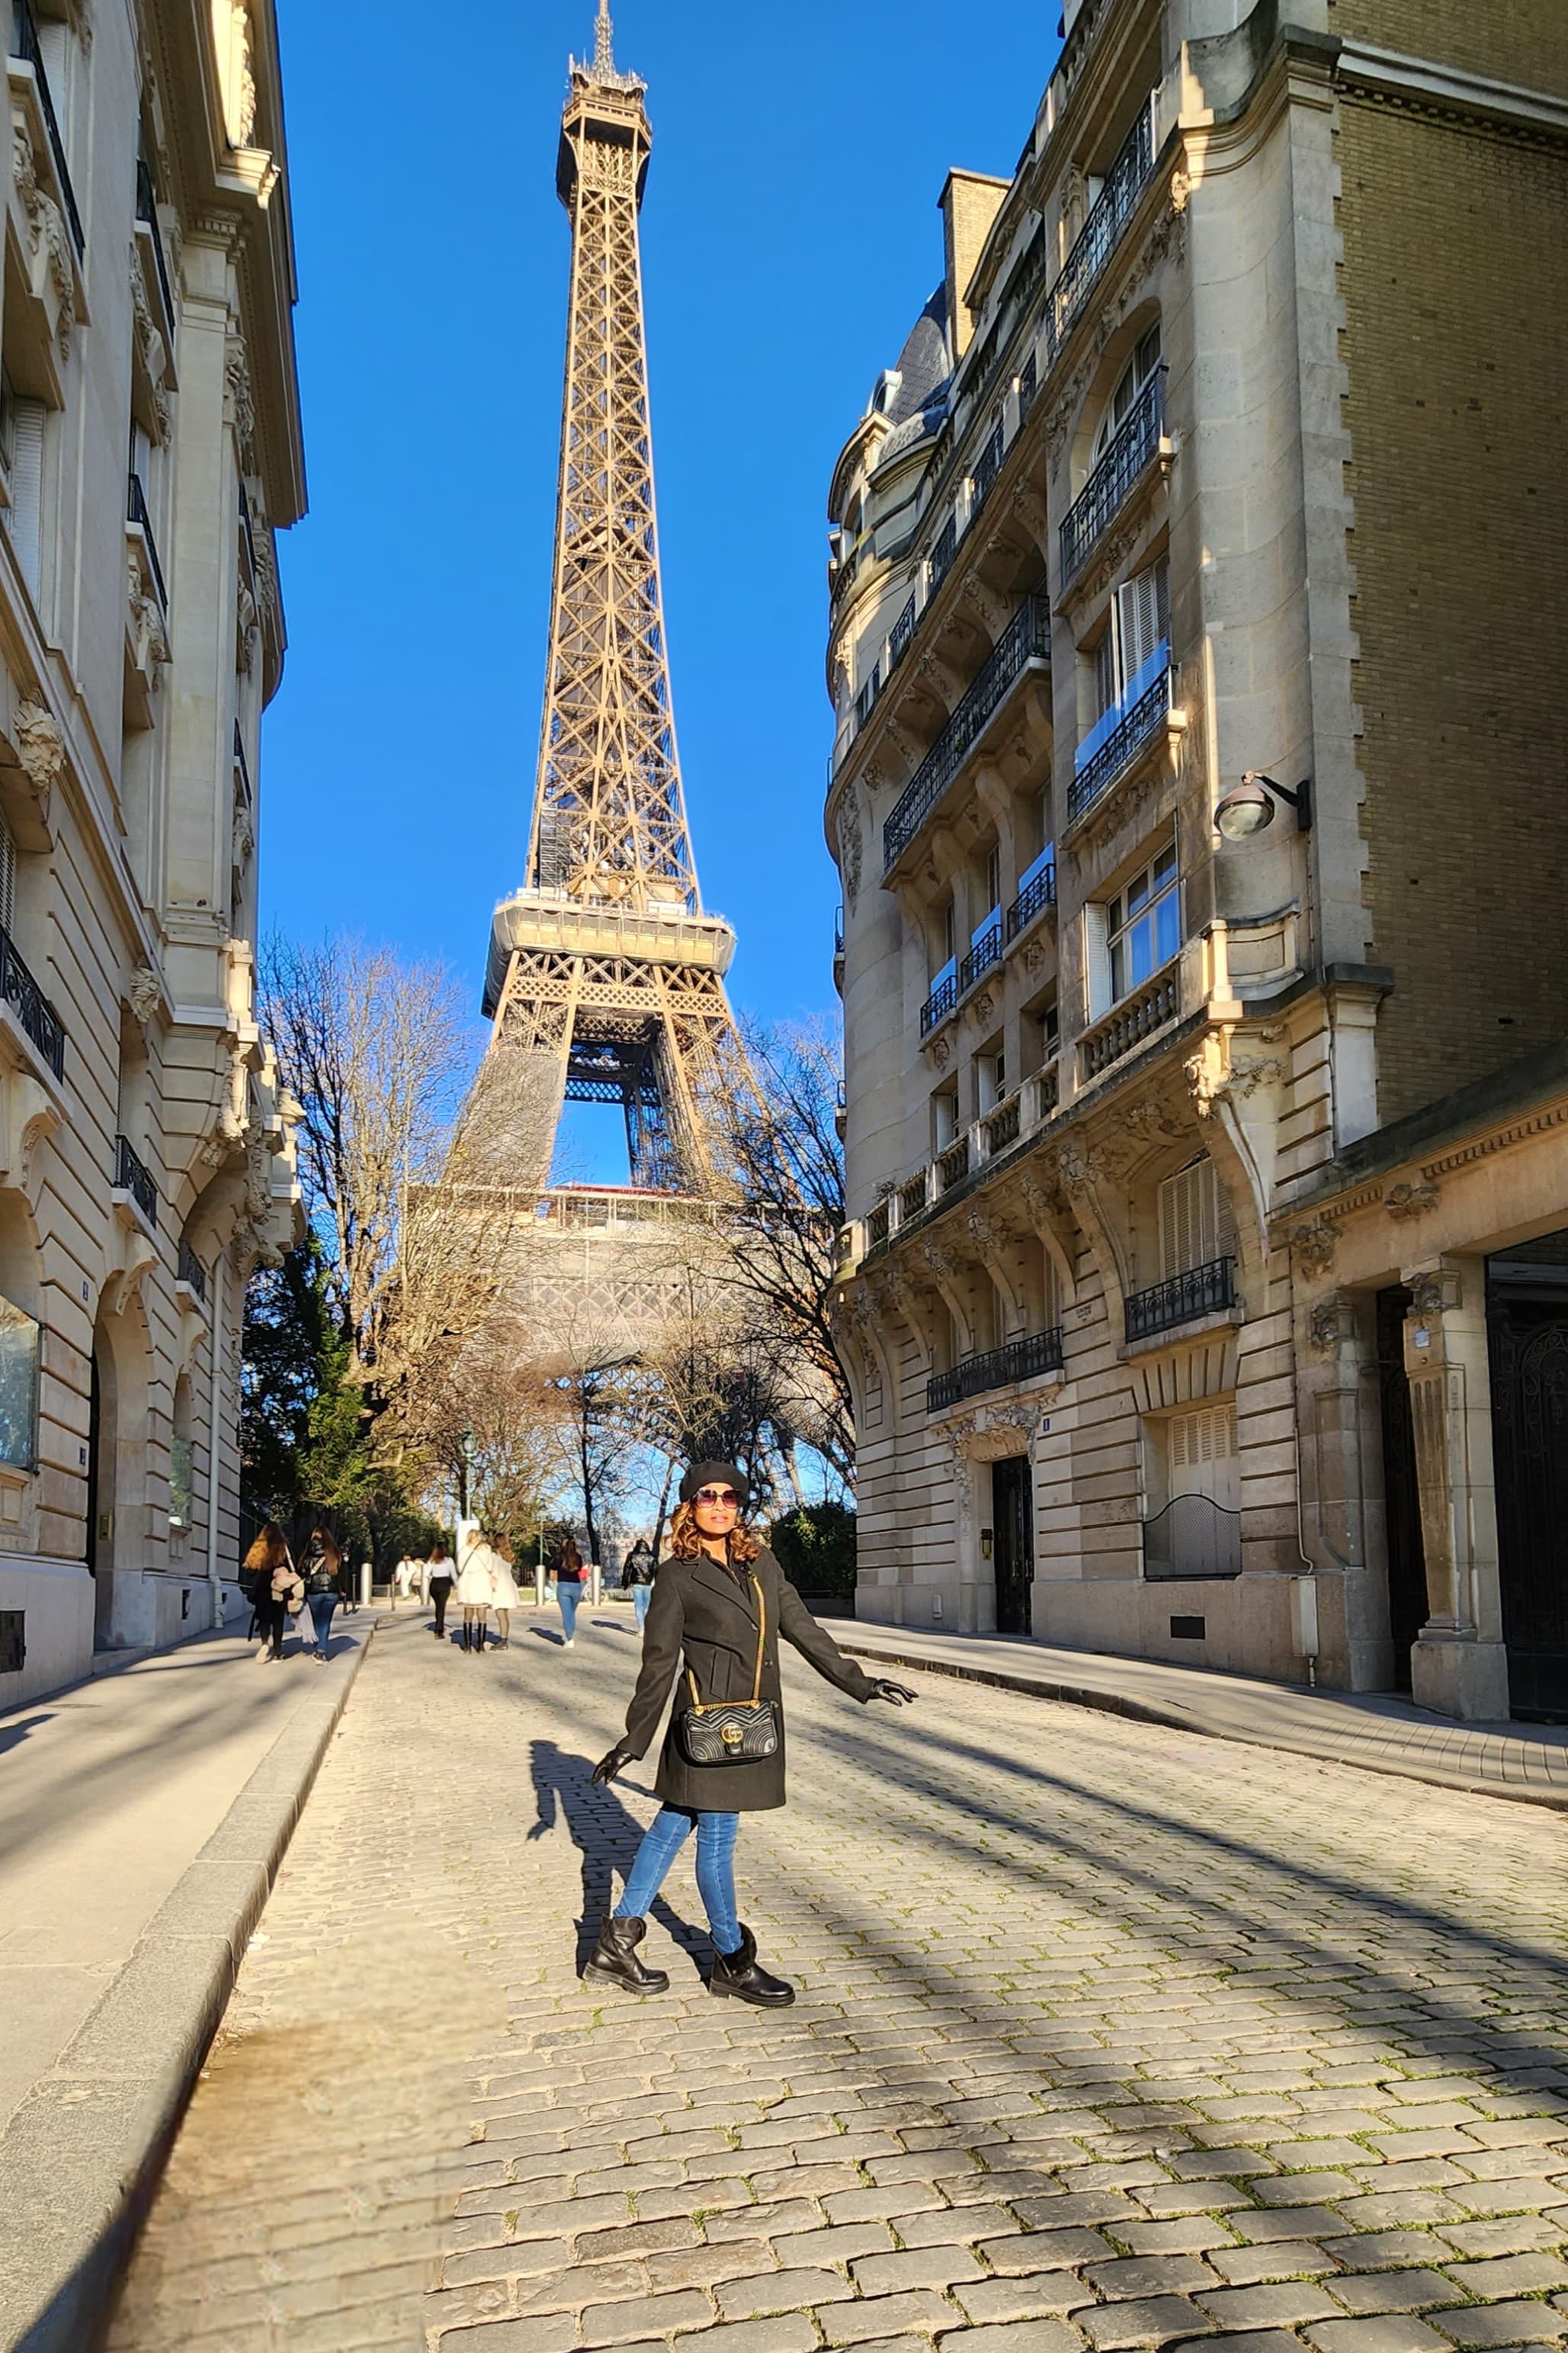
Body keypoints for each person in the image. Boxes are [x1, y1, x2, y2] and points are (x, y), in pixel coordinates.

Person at [588, 1462, 915, 2005]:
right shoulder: (675, 1575)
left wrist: (860, 1682)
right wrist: (633, 1740)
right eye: (707, 1496)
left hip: (754, 1719)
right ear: (689, 1505)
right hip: (711, 1728)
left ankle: (615, 1942)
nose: (719, 1505)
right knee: (716, 1843)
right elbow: (659, 1663)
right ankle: (731, 1960)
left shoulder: (760, 1562)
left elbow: (803, 1629)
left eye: (730, 1497)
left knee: (672, 1825)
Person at [243, 1520, 293, 1663]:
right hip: (279, 1588)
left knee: (264, 1619)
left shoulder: (259, 1547)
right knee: (278, 1621)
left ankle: (265, 1643)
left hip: (262, 1589)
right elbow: (291, 1567)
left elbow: (250, 1570)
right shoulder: (283, 1548)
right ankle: (277, 1653)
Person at [300, 1520, 344, 1663]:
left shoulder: (307, 1553)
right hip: (331, 1592)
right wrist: (342, 1590)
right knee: (325, 1622)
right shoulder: (334, 1553)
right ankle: (321, 1651)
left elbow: (302, 1570)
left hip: (313, 1592)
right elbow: (341, 1573)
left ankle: (319, 1646)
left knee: (316, 1622)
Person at [454, 1526, 497, 1653]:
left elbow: (460, 1568)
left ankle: (467, 1646)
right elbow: (490, 1566)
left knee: (468, 1616)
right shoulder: (486, 1549)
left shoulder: (464, 1550)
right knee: (482, 1616)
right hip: (482, 1583)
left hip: (468, 1584)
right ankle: (480, 1645)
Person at [549, 1533, 586, 1647]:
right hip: (576, 1586)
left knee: (566, 1614)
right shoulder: (578, 1557)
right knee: (572, 1613)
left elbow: (552, 1566)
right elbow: (579, 1568)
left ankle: (569, 1638)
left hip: (563, 1586)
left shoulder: (560, 1556)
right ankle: (570, 1635)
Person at [426, 1537, 456, 1639]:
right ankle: (439, 1630)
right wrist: (455, 1583)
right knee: (442, 1607)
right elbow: (453, 1573)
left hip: (434, 1583)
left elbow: (426, 1574)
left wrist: (432, 1576)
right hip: (444, 1583)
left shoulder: (432, 1561)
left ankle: (439, 1625)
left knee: (438, 1606)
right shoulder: (449, 1561)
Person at [626, 1537, 656, 1632]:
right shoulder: (652, 1557)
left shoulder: (632, 1556)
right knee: (647, 1605)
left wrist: (625, 1583)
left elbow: (627, 1569)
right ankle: (647, 1627)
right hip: (648, 1583)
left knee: (639, 1606)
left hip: (636, 1582)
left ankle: (641, 1628)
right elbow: (656, 1570)